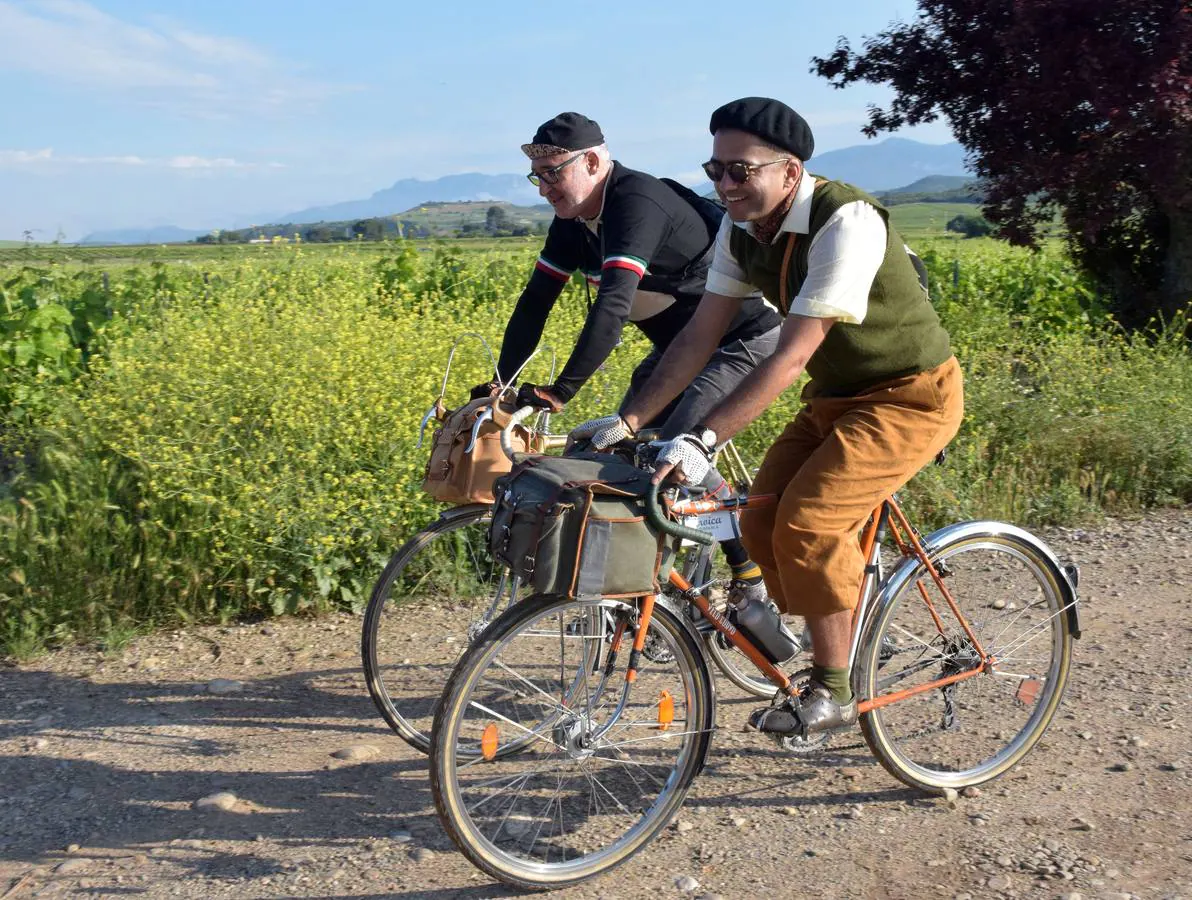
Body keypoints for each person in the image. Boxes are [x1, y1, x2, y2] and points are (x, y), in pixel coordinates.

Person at [576, 97, 964, 736]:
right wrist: (632, 420)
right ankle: (832, 624)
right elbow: (699, 336)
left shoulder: (847, 221)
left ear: (790, 172)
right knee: (759, 521)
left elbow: (791, 355)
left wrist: (701, 438)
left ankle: (834, 689)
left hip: (908, 397)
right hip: (837, 399)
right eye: (715, 169)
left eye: (740, 171)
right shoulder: (742, 228)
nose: (724, 186)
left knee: (808, 526)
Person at [475, 111, 784, 594]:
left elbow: (612, 307)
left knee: (672, 454)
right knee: (619, 455)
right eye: (538, 177)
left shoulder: (634, 203)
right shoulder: (574, 220)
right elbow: (535, 302)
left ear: (594, 161)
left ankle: (748, 577)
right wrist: (505, 381)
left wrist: (561, 392)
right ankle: (650, 585)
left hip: (742, 340)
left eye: (554, 173)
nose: (544, 188)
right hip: (679, 351)